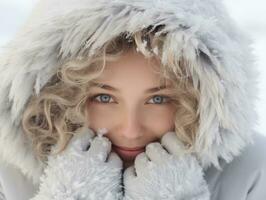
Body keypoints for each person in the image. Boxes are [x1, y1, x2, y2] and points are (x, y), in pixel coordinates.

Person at [0, 0, 265, 199]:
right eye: (104, 98)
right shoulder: (7, 176)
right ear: (56, 97)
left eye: (159, 99)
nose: (130, 130)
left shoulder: (254, 173)